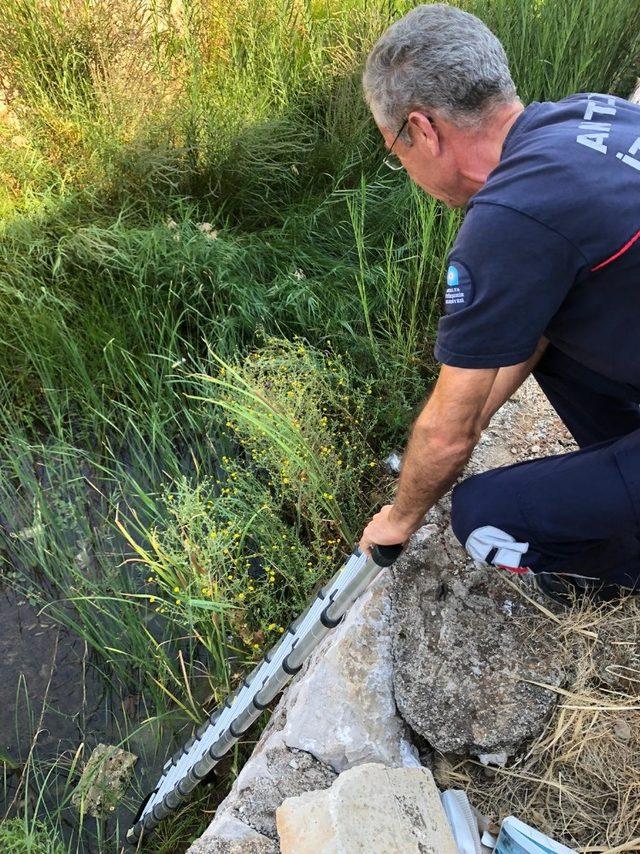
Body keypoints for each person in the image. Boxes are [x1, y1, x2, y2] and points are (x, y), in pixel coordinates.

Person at [357, 3, 640, 605]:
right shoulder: (593, 114)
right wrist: (477, 412)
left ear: (423, 130)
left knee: (482, 519)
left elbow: (449, 435)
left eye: (395, 148)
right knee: (552, 335)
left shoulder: (510, 221)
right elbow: (514, 348)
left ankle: (625, 562)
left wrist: (399, 520)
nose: (404, 166)